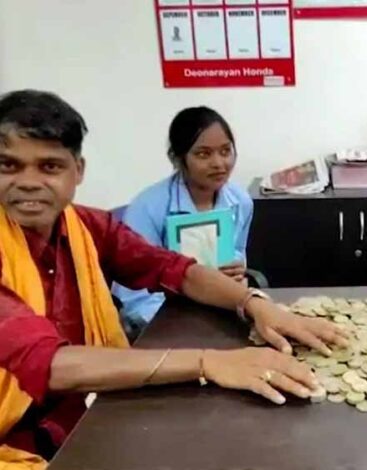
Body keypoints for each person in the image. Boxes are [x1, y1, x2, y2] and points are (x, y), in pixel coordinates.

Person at [0, 90, 348, 466]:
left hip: (85, 415)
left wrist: (255, 304)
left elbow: (174, 269)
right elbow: (49, 364)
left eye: (50, 166)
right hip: (16, 438)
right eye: (8, 165)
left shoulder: (87, 225)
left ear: (78, 170)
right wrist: (208, 362)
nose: (29, 182)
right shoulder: (147, 204)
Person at [112, 107, 253, 333]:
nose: (219, 163)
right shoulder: (147, 208)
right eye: (203, 154)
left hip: (221, 310)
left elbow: (238, 257)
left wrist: (237, 276)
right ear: (177, 158)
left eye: (225, 151)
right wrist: (180, 326)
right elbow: (135, 298)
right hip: (163, 319)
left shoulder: (241, 201)